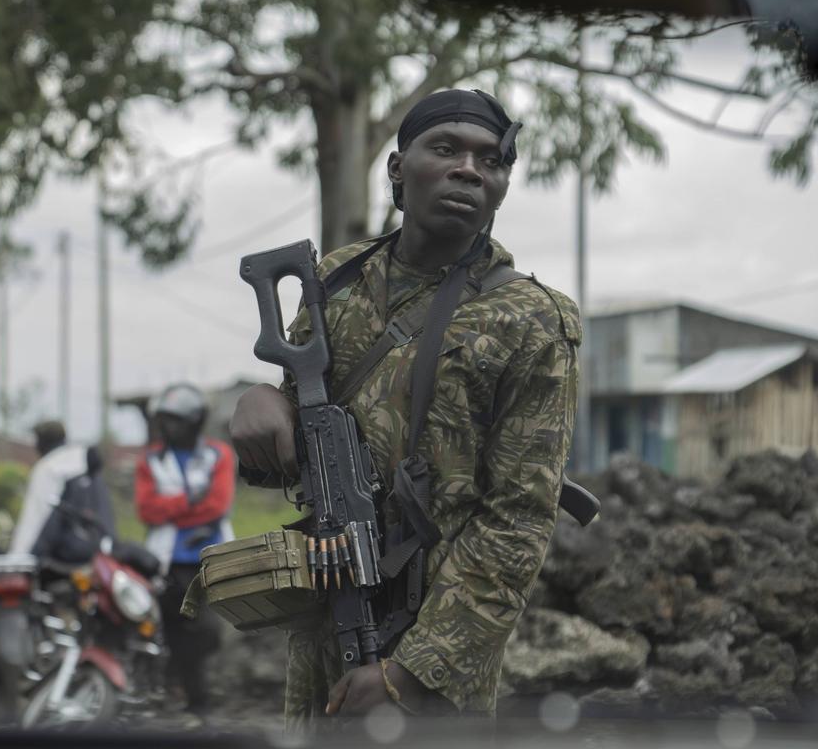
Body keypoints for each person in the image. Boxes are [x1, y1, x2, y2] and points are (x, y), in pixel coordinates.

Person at [230, 89, 581, 729]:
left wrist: (406, 674)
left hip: (433, 671)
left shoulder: (532, 322)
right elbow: (303, 445)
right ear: (398, 168)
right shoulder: (332, 283)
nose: (469, 170)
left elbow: (517, 524)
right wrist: (259, 406)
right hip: (327, 624)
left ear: (502, 185)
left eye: (489, 161)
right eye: (445, 149)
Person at [134, 382, 236, 715]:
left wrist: (173, 508)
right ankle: (195, 699)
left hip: (211, 557)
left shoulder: (218, 454)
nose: (168, 427)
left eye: (176, 420)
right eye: (165, 419)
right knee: (175, 628)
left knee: (208, 630)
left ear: (194, 421)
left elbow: (218, 504)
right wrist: (189, 502)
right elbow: (147, 509)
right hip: (168, 560)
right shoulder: (150, 459)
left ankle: (189, 686)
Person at [9, 420, 113, 563]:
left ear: (42, 442)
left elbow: (35, 517)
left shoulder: (48, 468)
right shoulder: (85, 462)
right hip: (101, 552)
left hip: (62, 559)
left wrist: (17, 558)